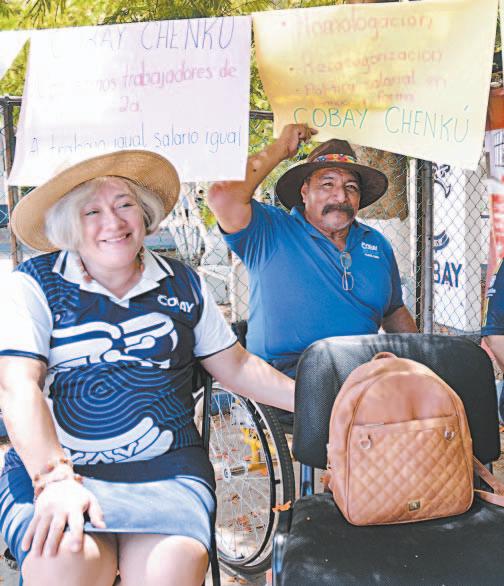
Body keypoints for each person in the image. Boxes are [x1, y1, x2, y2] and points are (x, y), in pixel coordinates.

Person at [0, 150, 295, 586]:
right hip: (57, 468)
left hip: (165, 469)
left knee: (169, 570)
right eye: (92, 211)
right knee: (62, 563)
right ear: (68, 223)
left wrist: (319, 400)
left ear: (144, 212)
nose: (113, 222)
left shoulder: (183, 282)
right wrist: (53, 479)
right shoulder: (34, 283)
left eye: (125, 204)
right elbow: (17, 386)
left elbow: (235, 366)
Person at [208, 123, 417, 379]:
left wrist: (420, 365)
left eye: (351, 187)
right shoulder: (269, 231)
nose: (341, 196)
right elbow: (222, 196)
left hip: (361, 378)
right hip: (283, 381)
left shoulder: (376, 244)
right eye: (327, 184)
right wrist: (280, 149)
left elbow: (394, 310)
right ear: (304, 193)